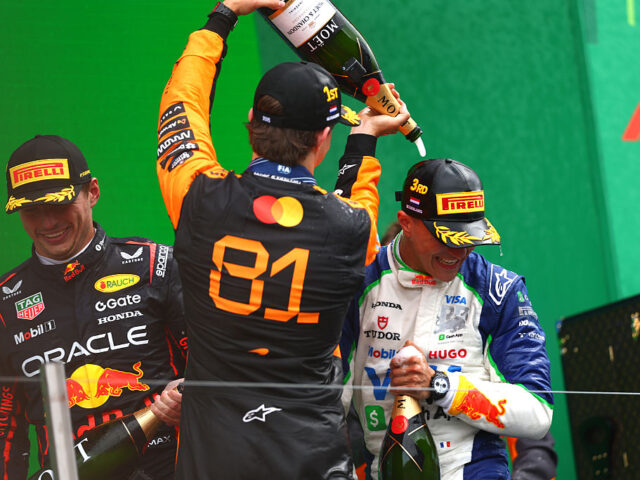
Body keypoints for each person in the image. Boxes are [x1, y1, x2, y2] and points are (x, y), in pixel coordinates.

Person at [155, 0, 410, 477]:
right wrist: (366, 135)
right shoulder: (352, 229)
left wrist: (224, 16)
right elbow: (356, 200)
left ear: (251, 120)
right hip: (312, 458)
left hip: (214, 460)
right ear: (323, 139)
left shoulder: (198, 197)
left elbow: (181, 106)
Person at [340, 158, 554, 479]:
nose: (459, 252)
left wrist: (440, 386)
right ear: (406, 223)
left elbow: (538, 412)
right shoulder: (359, 282)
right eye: (447, 237)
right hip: (380, 469)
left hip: (475, 469)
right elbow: (325, 401)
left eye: (469, 238)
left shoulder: (499, 290)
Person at [0, 135, 187, 479]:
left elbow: (216, 372)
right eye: (32, 211)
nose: (47, 223)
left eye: (59, 204)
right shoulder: (4, 304)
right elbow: (4, 434)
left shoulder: (156, 266)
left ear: (93, 192)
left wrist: (190, 400)